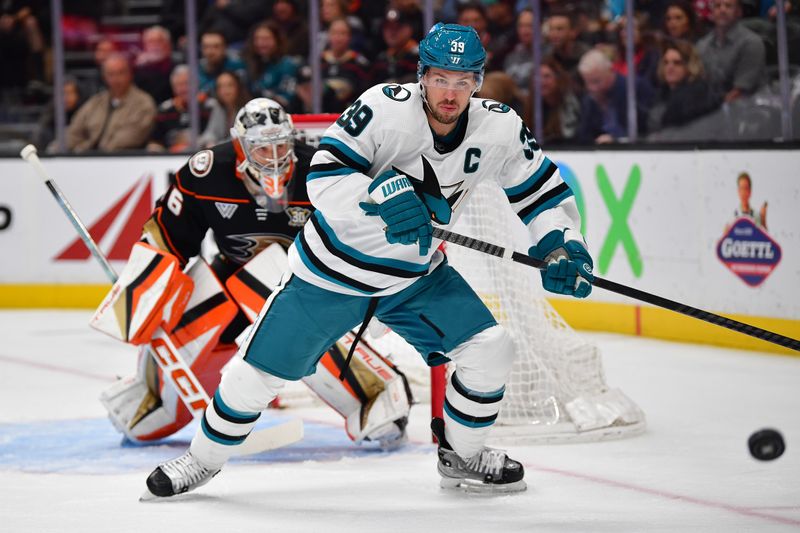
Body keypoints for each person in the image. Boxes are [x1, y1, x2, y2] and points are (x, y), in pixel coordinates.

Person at [143, 23, 594, 499]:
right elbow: (323, 174)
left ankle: (462, 456)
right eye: (441, 78)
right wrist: (380, 195)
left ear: (478, 82)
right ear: (422, 75)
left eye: (464, 81)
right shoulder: (383, 106)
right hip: (331, 273)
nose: (451, 92)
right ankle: (201, 460)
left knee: (491, 348)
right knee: (252, 376)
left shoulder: (500, 126)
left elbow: (543, 194)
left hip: (414, 278)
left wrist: (562, 243)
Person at [97, 97, 412, 455]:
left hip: (314, 285)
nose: (275, 156)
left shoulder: (322, 169)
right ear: (241, 145)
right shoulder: (207, 172)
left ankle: (374, 392)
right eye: (263, 148)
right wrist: (143, 290)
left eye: (281, 144)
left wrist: (376, 292)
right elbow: (168, 238)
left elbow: (365, 235)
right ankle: (153, 394)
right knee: (145, 419)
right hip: (231, 278)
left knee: (273, 276)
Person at [66, 54, 157, 153]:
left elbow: (131, 137)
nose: (116, 79)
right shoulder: (96, 102)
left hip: (122, 159)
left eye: (120, 73)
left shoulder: (143, 103)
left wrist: (96, 152)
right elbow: (74, 131)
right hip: (88, 158)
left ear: (130, 74)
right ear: (104, 77)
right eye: (111, 74)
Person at [576, 49, 654, 144]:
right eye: (587, 82)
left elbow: (646, 129)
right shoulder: (589, 99)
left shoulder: (635, 89)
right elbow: (584, 136)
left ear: (610, 71)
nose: (592, 88)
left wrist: (616, 140)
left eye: (596, 81)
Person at [696, 0, 766, 103]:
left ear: (739, 12)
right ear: (712, 12)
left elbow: (740, 92)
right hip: (710, 107)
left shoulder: (751, 43)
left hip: (748, 109)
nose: (722, 10)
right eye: (717, 6)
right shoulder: (702, 45)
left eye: (728, 6)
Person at [147, 64, 227, 152]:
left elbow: (218, 137)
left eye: (186, 83)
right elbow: (155, 141)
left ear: (196, 83)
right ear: (173, 88)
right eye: (179, 85)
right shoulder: (165, 110)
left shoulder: (212, 107)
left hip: (203, 157)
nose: (183, 89)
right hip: (171, 159)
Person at [647, 39, 720, 133]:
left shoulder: (697, 94)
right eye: (666, 62)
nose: (670, 67)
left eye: (677, 63)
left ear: (689, 66)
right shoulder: (662, 92)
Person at [242, 21, 298, 109]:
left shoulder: (287, 64)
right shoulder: (248, 63)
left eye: (266, 39)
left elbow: (286, 99)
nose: (260, 43)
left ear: (277, 40)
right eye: (257, 39)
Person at [197, 30, 247, 97]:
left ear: (225, 47)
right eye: (206, 47)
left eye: (216, 47)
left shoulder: (237, 66)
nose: (210, 52)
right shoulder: (198, 68)